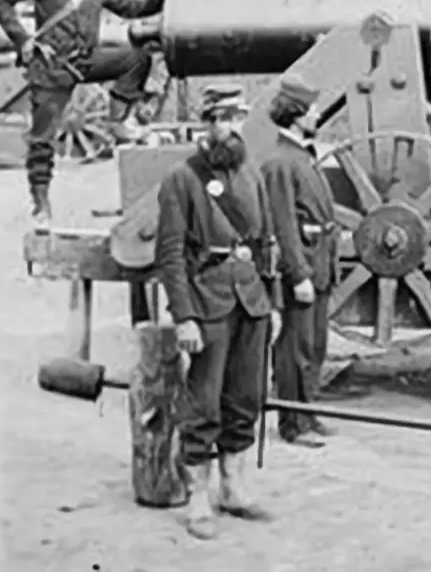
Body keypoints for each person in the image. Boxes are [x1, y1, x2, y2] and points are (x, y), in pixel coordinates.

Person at [0, 0, 174, 227]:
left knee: (137, 58)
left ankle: (117, 122)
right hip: (50, 69)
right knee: (42, 140)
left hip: (85, 62)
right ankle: (41, 204)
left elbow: (132, 8)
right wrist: (22, 38)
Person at [155, 83, 282, 541]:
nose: (227, 127)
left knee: (244, 398)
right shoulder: (182, 179)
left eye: (235, 117)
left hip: (252, 301)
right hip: (207, 302)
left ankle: (234, 488)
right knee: (204, 401)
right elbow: (170, 255)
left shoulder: (252, 173)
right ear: (205, 124)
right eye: (220, 118)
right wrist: (184, 316)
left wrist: (274, 304)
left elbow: (267, 243)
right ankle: (197, 499)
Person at [262, 74, 338, 449]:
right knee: (296, 347)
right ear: (295, 114)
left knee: (315, 344)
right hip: (304, 263)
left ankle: (307, 413)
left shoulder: (300, 155)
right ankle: (292, 423)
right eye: (312, 110)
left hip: (320, 258)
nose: (317, 114)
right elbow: (283, 224)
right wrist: (298, 274)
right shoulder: (280, 162)